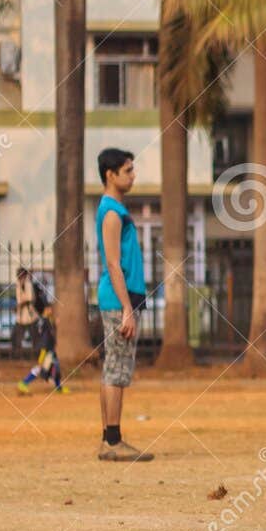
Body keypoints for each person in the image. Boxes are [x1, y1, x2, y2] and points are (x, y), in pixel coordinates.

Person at [95, 148, 154, 461]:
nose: (133, 175)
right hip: (120, 300)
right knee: (116, 370)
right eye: (128, 170)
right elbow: (114, 264)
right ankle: (113, 442)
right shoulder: (112, 213)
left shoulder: (115, 209)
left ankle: (109, 439)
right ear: (111, 175)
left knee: (113, 369)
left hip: (122, 298)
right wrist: (127, 309)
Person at [17, 308, 68, 395]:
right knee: (42, 368)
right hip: (45, 349)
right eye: (49, 308)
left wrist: (54, 324)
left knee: (55, 367)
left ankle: (59, 387)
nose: (51, 310)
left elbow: (48, 333)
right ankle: (24, 383)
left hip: (49, 348)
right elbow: (45, 334)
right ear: (45, 310)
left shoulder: (44, 321)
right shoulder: (44, 321)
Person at [12, 267, 47, 356]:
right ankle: (17, 354)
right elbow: (20, 299)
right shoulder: (18, 284)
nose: (20, 278)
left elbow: (30, 298)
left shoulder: (28, 284)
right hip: (22, 316)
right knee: (16, 336)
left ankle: (39, 355)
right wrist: (19, 305)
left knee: (35, 338)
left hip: (30, 315)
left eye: (22, 275)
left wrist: (19, 305)